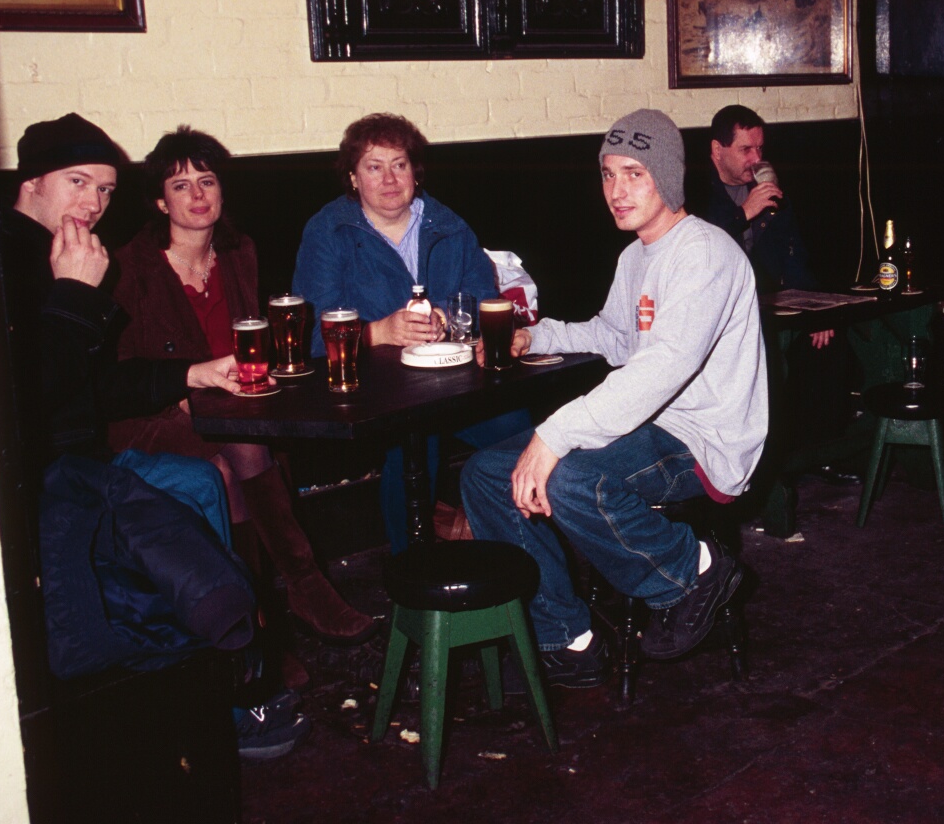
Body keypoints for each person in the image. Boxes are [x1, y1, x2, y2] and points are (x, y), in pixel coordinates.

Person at [0, 112, 309, 758]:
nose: (92, 203)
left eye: (105, 190)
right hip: (41, 481)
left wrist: (193, 370)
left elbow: (97, 382)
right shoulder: (0, 263)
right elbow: (21, 400)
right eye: (78, 182)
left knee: (202, 479)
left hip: (87, 461)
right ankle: (233, 665)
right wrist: (74, 299)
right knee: (204, 479)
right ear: (30, 183)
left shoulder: (70, 253)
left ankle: (229, 661)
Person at [459, 109, 767, 687]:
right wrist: (537, 334)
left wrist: (553, 435)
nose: (616, 191)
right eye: (607, 174)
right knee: (483, 472)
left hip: (704, 439)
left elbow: (660, 368)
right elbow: (614, 336)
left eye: (634, 173)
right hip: (653, 426)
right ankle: (568, 635)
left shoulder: (704, 253)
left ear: (667, 177)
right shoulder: (637, 256)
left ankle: (694, 569)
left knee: (570, 477)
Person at [110, 126, 376, 646]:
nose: (198, 196)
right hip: (154, 414)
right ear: (159, 202)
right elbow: (120, 373)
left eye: (206, 181)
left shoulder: (238, 253)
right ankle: (295, 592)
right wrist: (181, 394)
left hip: (230, 407)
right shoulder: (130, 268)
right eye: (181, 186)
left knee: (240, 452)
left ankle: (256, 621)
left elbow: (254, 345)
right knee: (236, 459)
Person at [291, 113, 530, 551]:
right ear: (352, 176)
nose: (388, 179)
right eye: (373, 166)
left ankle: (507, 550)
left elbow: (483, 296)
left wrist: (448, 316)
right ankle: (410, 572)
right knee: (413, 443)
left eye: (399, 164)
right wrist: (378, 331)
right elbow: (309, 338)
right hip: (378, 390)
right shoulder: (329, 231)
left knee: (522, 436)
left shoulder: (449, 225)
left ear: (414, 173)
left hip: (456, 381)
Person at [698, 104, 832, 349]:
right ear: (718, 150)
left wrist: (816, 308)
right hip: (714, 312)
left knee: (827, 343)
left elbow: (793, 254)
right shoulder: (694, 191)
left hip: (766, 302)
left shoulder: (765, 188)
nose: (757, 159)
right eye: (746, 149)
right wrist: (744, 214)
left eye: (759, 148)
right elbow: (698, 250)